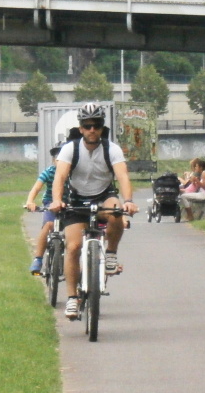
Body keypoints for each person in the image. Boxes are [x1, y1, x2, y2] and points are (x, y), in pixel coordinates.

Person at [48, 102, 139, 320]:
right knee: (73, 247)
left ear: (102, 127)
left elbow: (123, 176)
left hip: (103, 196)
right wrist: (57, 200)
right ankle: (72, 299)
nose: (92, 130)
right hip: (76, 199)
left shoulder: (112, 149)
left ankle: (110, 254)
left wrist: (128, 200)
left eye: (96, 125)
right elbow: (60, 177)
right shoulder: (70, 149)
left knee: (117, 211)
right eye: (87, 126)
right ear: (80, 128)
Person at [25, 144, 64, 275]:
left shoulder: (74, 173)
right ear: (54, 160)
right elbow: (36, 188)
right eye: (58, 158)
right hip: (50, 203)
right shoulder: (49, 172)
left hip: (69, 204)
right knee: (48, 225)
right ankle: (38, 259)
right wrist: (30, 202)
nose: (60, 161)